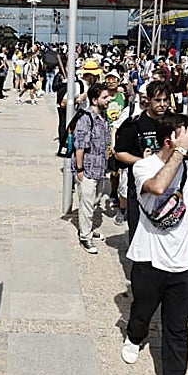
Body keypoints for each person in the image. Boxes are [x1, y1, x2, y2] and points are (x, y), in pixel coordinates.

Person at [120, 114, 188, 375]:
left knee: (177, 326)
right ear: (170, 140)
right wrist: (179, 153)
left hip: (182, 261)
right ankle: (134, 337)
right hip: (148, 256)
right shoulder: (144, 166)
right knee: (143, 309)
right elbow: (157, 188)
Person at [113, 80, 173, 237]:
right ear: (148, 100)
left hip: (169, 188)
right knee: (139, 235)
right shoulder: (134, 124)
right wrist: (142, 161)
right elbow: (120, 153)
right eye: (158, 100)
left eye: (165, 100)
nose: (162, 104)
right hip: (140, 189)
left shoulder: (174, 123)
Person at [73, 83, 113, 254]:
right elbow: (80, 146)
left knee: (95, 201)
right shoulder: (86, 118)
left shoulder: (102, 117)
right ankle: (85, 236)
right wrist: (80, 169)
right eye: (105, 97)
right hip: (88, 169)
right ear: (95, 100)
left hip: (100, 168)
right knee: (87, 204)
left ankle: (88, 229)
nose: (109, 99)